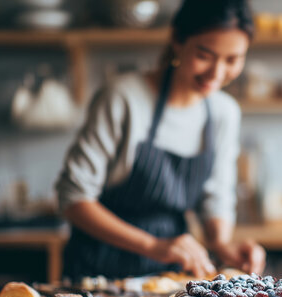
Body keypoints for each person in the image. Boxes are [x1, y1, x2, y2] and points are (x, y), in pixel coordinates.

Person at [56, 0, 266, 280]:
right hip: (98, 275)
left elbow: (216, 199)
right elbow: (73, 198)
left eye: (232, 60)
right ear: (178, 40)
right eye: (205, 55)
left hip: (170, 279)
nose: (216, 73)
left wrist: (225, 247)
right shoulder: (123, 97)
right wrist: (154, 246)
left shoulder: (224, 112)